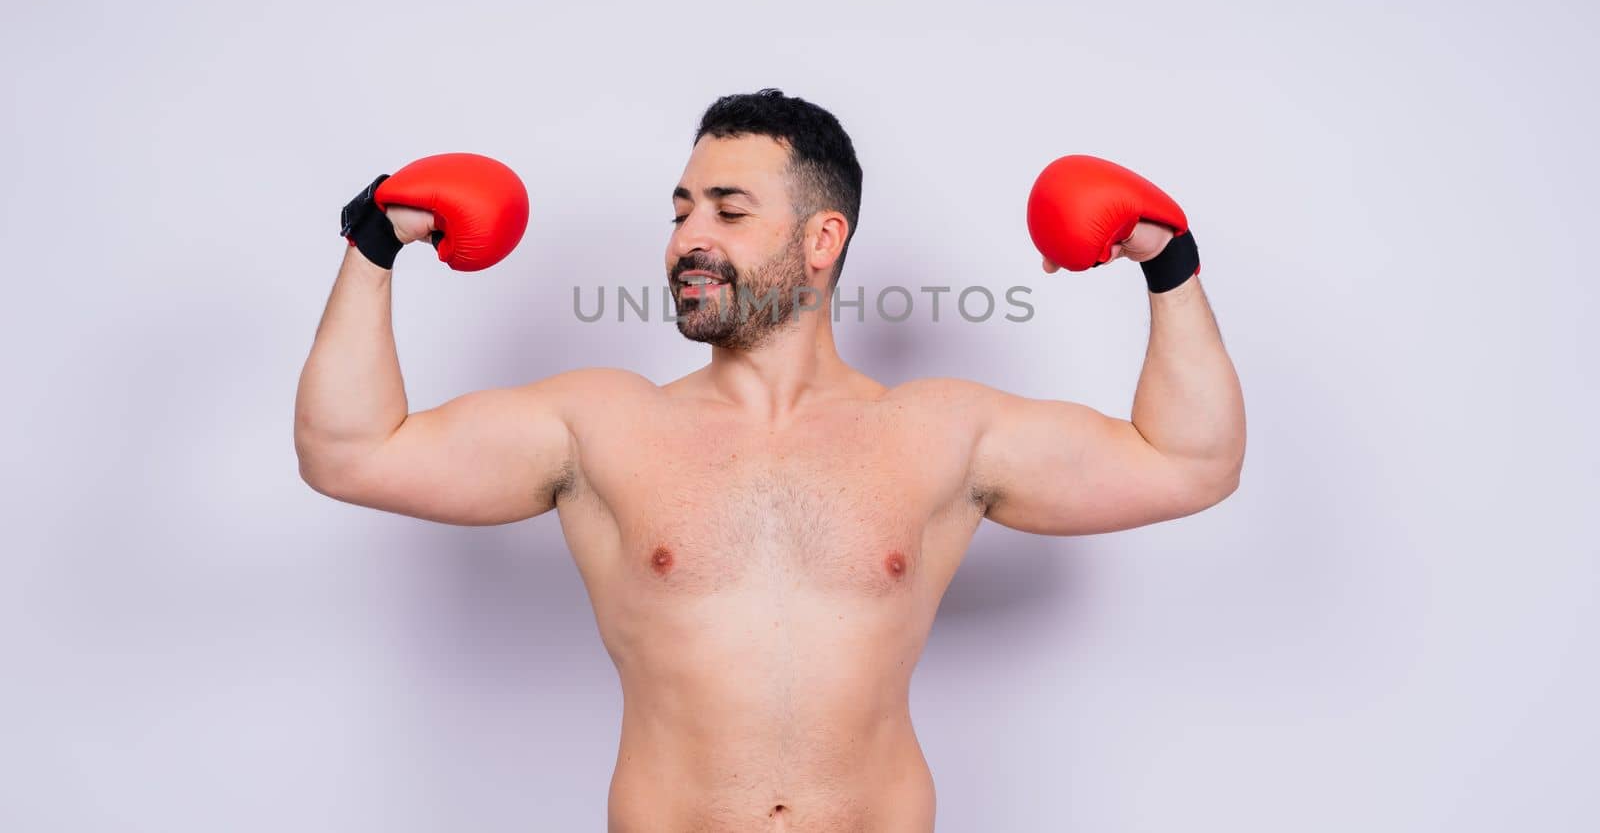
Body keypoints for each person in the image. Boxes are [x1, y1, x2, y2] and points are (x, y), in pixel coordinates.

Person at [293, 89, 1246, 832]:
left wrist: (1168, 265)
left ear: (822, 239)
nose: (686, 239)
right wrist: (373, 243)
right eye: (680, 210)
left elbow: (1189, 461)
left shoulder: (940, 432)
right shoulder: (602, 425)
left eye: (727, 209)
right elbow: (351, 451)